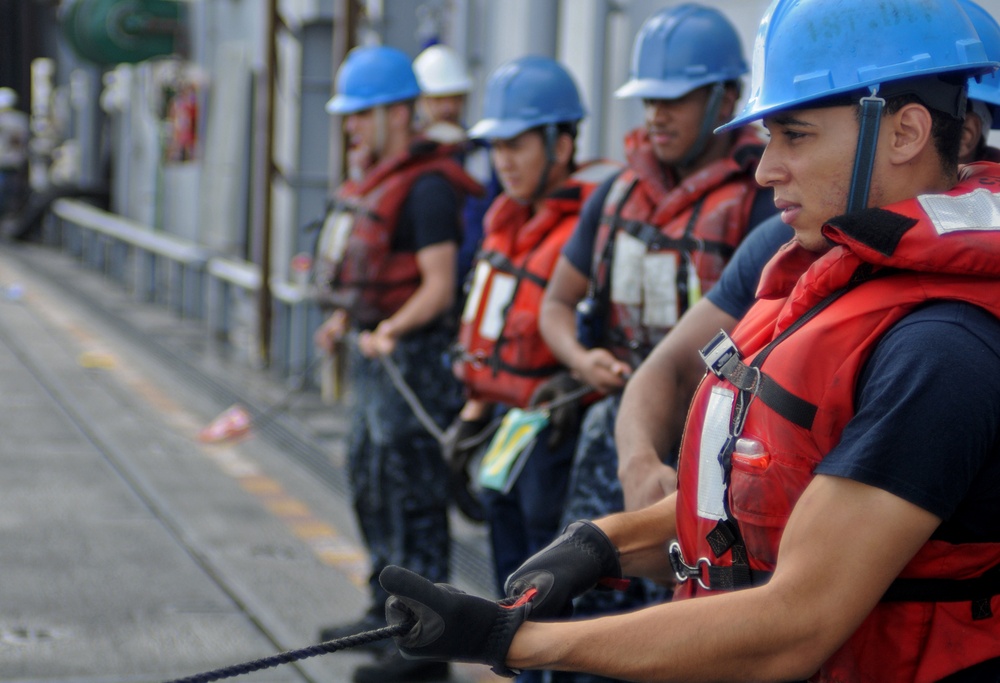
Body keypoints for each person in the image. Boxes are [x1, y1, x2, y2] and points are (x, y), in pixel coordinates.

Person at [378, 0, 1000, 680]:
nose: (765, 171)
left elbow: (795, 624)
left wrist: (512, 640)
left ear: (906, 131)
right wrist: (602, 541)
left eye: (794, 135)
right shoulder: (823, 272)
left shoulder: (942, 351)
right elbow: (764, 503)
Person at [538, 4, 776, 656]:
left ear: (727, 96)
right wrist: (582, 359)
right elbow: (555, 304)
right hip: (612, 432)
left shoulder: (768, 201)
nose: (657, 115)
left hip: (717, 455)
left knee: (685, 624)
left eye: (678, 98)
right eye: (649, 99)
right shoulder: (614, 196)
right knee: (578, 606)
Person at [311, 44, 482, 683]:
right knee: (367, 475)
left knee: (413, 492)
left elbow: (437, 287)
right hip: (374, 351)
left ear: (395, 114)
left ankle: (423, 643)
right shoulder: (377, 180)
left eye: (361, 114)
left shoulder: (430, 188)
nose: (351, 127)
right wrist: (346, 320)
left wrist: (389, 328)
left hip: (412, 360)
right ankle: (382, 610)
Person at [447, 55, 620, 624]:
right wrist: (472, 418)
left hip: (557, 441)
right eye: (496, 147)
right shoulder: (504, 223)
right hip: (504, 432)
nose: (504, 161)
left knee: (553, 595)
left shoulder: (587, 234)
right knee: (508, 583)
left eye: (516, 145)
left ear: (560, 144)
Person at [412, 43, 501, 289]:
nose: (448, 108)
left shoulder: (479, 154)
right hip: (418, 285)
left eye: (456, 98)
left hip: (469, 277)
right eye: (439, 100)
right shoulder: (409, 160)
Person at [0, 87, 29, 218]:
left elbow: (19, 140)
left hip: (9, 163)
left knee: (9, 193)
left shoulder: (16, 120)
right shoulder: (20, 120)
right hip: (11, 163)